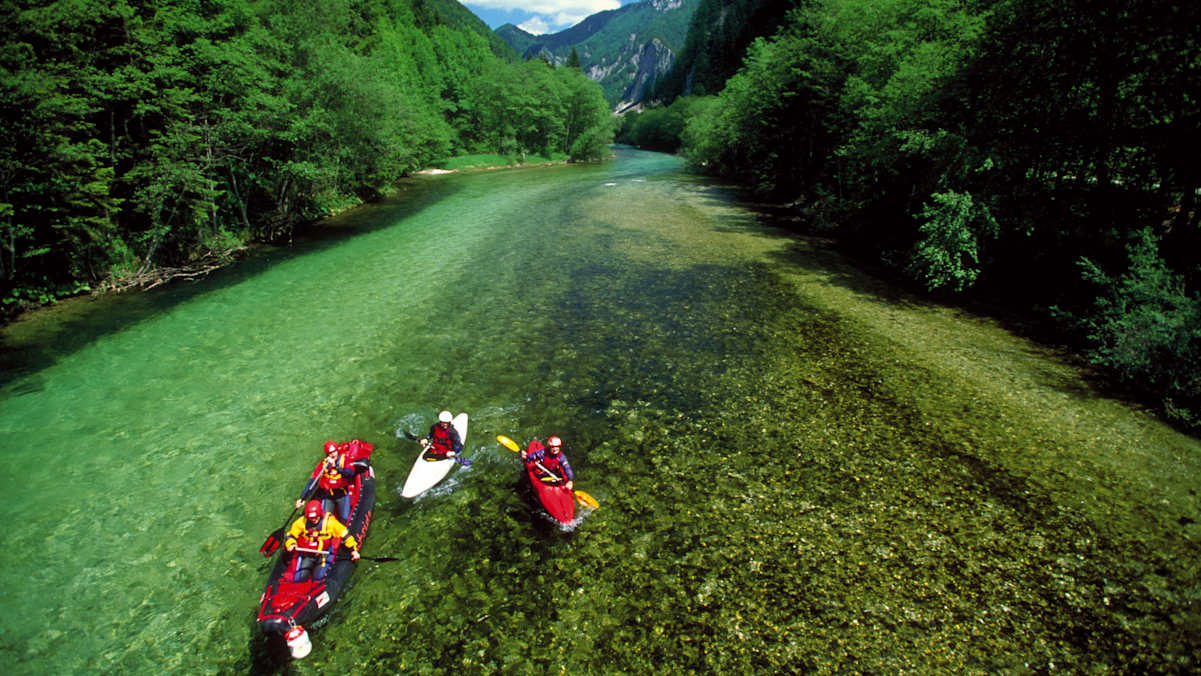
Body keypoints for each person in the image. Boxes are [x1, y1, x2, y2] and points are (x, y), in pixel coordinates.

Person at [284, 499, 360, 582]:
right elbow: (290, 535)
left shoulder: (330, 522)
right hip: (309, 553)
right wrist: (291, 544)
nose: (313, 519)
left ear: (320, 514)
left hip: (324, 552)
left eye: (315, 517)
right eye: (311, 518)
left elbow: (345, 535)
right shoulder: (301, 522)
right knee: (300, 578)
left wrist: (353, 550)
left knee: (318, 577)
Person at [296, 440, 368, 523]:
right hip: (328, 495)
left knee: (344, 519)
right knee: (324, 520)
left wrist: (335, 467)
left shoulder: (345, 460)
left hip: (342, 495)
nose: (333, 454)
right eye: (330, 453)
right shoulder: (323, 465)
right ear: (327, 455)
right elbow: (313, 482)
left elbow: (350, 473)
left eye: (334, 452)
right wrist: (302, 498)